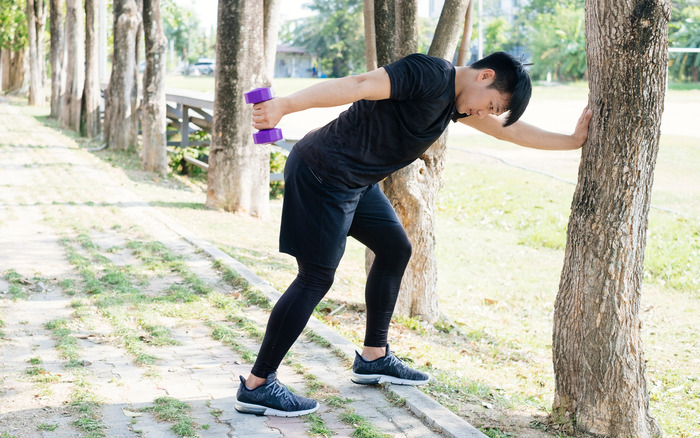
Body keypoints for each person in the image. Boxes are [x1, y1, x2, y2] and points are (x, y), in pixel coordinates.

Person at [234, 52, 592, 417]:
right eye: (492, 105)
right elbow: (358, 84)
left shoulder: (455, 103)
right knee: (315, 278)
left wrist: (573, 140)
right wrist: (284, 106)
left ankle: (373, 357)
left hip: (355, 182)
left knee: (394, 249)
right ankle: (257, 384)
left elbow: (510, 130)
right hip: (323, 173)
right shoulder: (429, 74)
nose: (484, 114)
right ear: (484, 76)